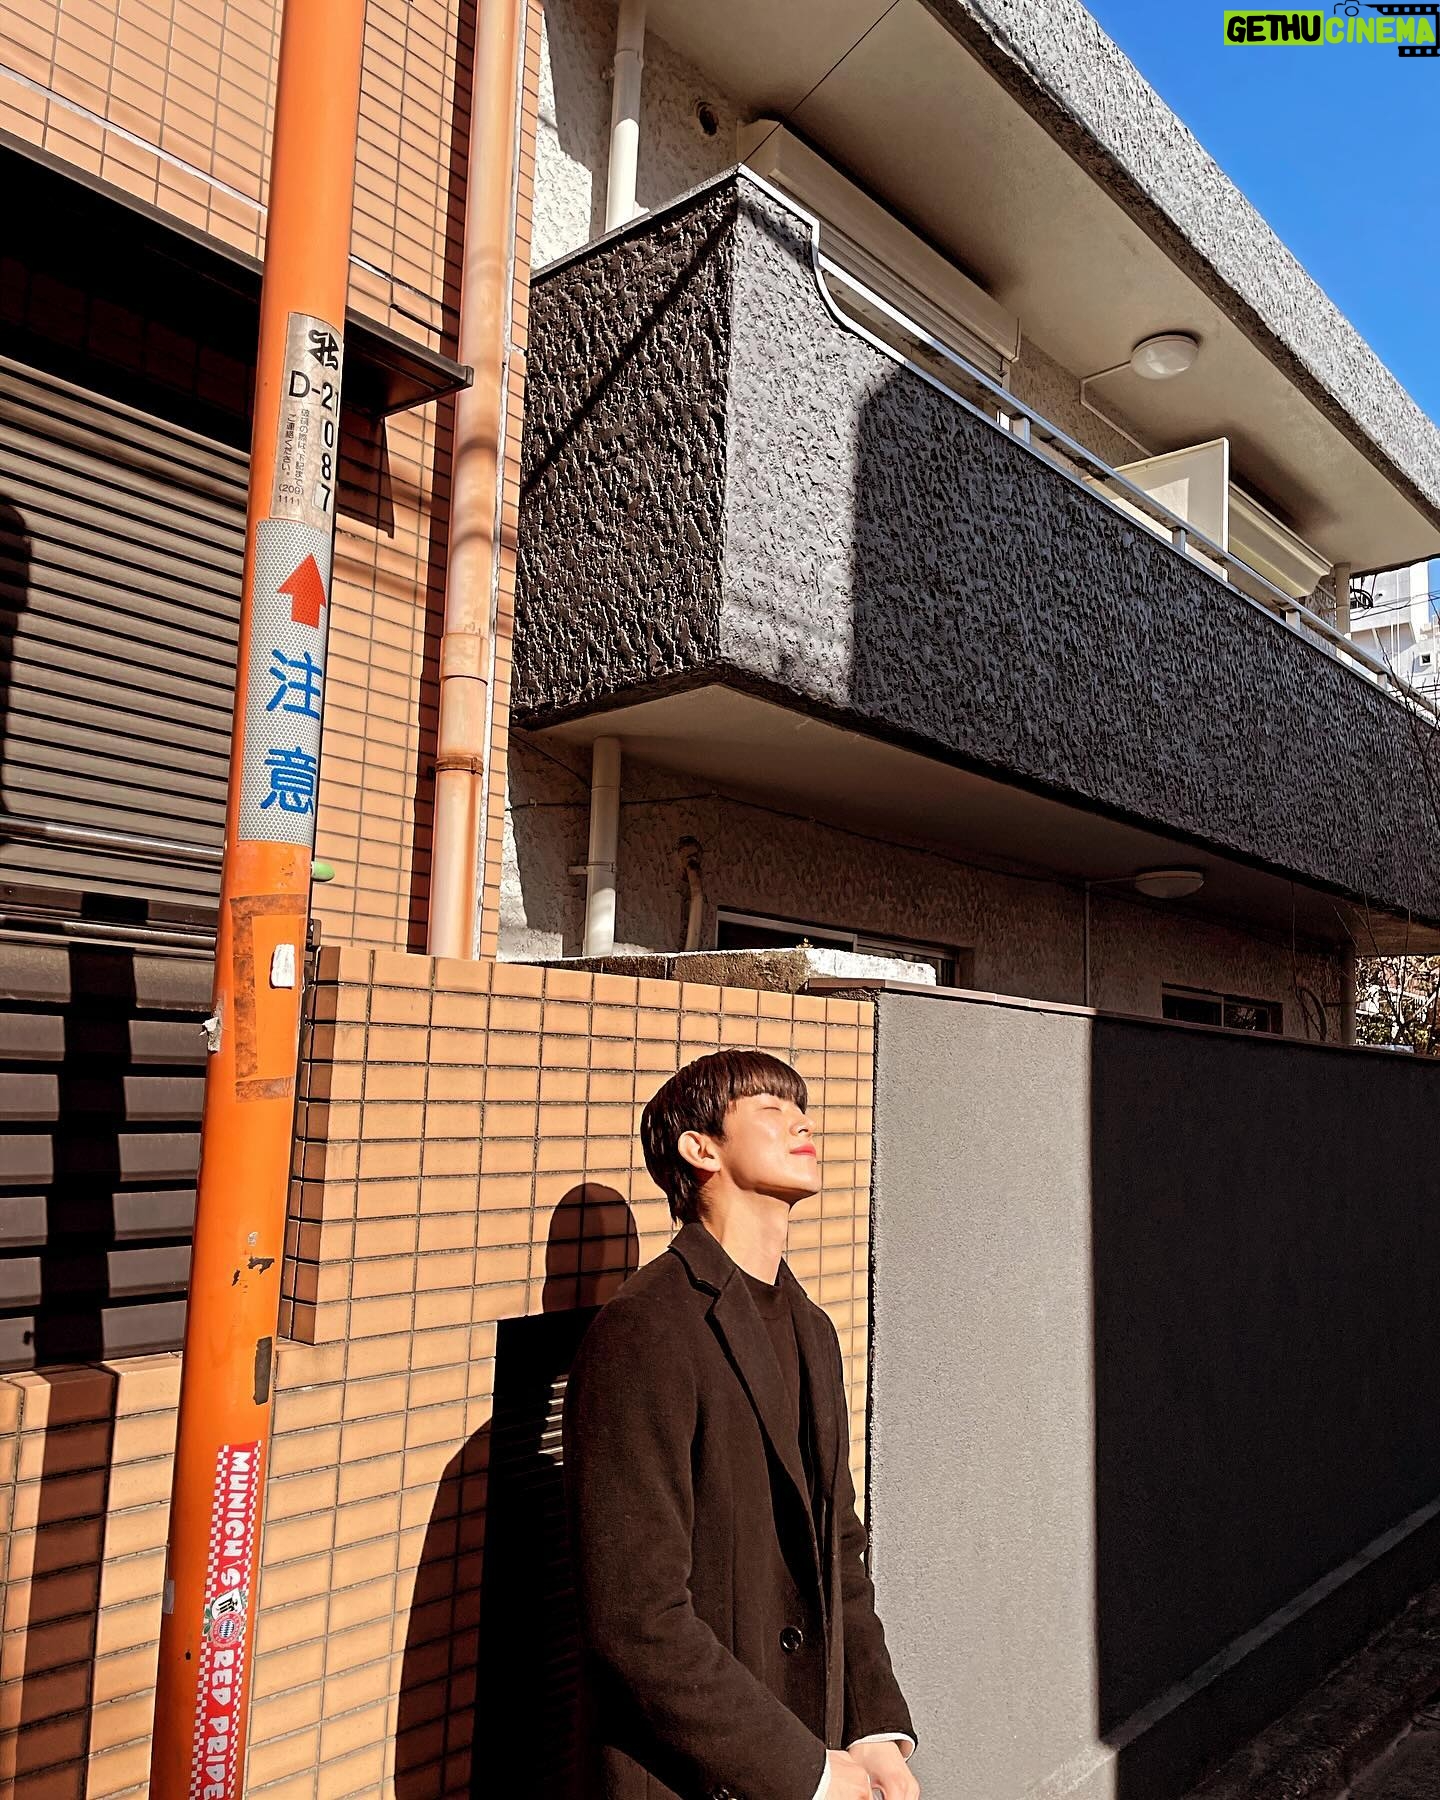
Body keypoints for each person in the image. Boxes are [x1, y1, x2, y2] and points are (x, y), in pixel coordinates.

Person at [562, 1049, 919, 1800]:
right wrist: (802, 1770)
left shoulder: (812, 1329)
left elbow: (837, 1548)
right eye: (770, 1108)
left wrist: (872, 1726)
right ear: (701, 1149)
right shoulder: (644, 1329)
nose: (802, 1124)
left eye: (802, 1109)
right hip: (693, 1777)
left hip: (809, 1746)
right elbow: (636, 1618)